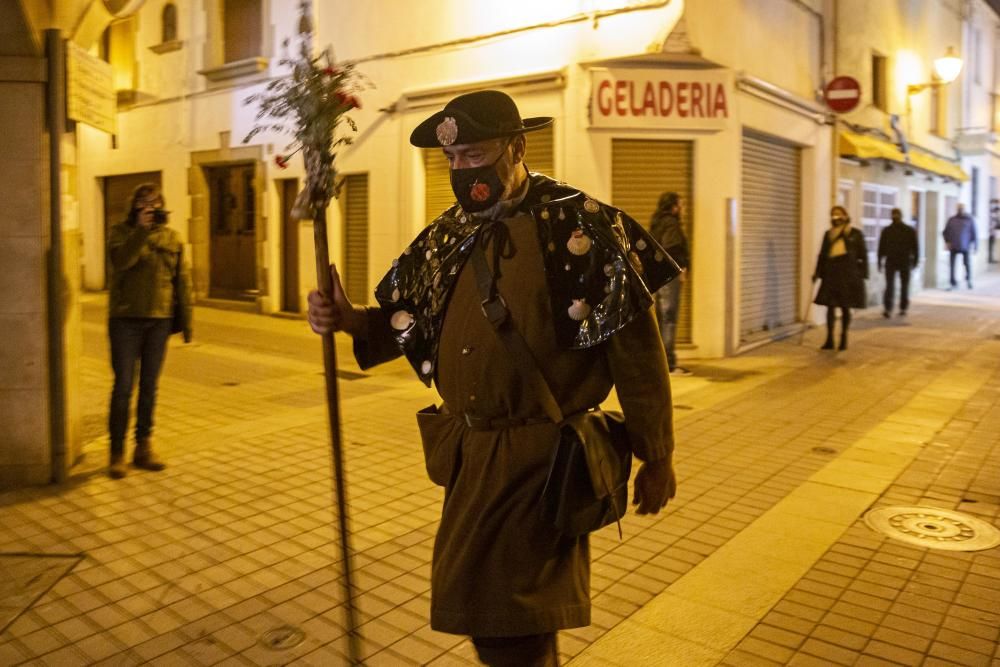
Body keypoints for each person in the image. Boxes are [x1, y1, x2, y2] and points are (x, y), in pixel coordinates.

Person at [307, 90, 679, 666]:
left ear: (517, 147)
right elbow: (411, 318)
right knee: (501, 621)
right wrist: (349, 318)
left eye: (474, 154)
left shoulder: (581, 228)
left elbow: (637, 355)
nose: (462, 171)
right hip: (470, 458)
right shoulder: (448, 233)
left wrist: (657, 455)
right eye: (452, 161)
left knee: (512, 627)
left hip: (542, 460)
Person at [107, 183, 192, 479]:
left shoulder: (172, 237)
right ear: (134, 206)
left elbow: (182, 281)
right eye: (143, 202)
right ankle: (116, 452)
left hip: (159, 320)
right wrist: (141, 232)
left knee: (149, 386)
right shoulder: (120, 233)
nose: (149, 207)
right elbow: (121, 263)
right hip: (125, 320)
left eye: (154, 202)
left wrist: (187, 323)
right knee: (123, 387)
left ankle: (143, 446)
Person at [812, 205, 868, 351]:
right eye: (833, 215)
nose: (836, 218)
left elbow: (863, 255)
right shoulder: (828, 234)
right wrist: (817, 273)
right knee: (830, 307)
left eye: (839, 215)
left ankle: (843, 337)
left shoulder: (855, 234)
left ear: (845, 215)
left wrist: (863, 274)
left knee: (845, 307)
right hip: (831, 275)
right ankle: (829, 338)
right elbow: (822, 255)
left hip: (848, 276)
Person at [649, 192, 691, 376]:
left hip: (658, 275)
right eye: (680, 204)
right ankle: (669, 364)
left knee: (661, 317)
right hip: (670, 276)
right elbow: (672, 247)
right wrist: (681, 267)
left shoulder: (658, 222)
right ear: (673, 206)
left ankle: (659, 362)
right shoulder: (671, 223)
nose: (682, 208)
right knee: (669, 318)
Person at [877, 208, 919, 317]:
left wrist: (915, 260)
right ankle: (891, 308)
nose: (895, 217)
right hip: (894, 260)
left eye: (896, 215)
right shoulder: (888, 231)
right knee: (892, 285)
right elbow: (881, 247)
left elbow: (915, 247)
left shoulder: (908, 230)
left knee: (901, 286)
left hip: (903, 260)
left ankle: (899, 307)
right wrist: (879, 261)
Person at [943, 202, 977, 289]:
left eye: (961, 208)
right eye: (959, 208)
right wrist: (947, 242)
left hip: (965, 246)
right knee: (952, 265)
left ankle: (969, 280)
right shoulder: (952, 219)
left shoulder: (969, 220)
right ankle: (952, 282)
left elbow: (974, 233)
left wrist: (975, 246)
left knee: (966, 264)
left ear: (964, 209)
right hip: (953, 245)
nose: (960, 210)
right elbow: (945, 232)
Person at [989, 198, 999, 264]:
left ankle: (991, 258)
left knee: (992, 246)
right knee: (991, 246)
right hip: (991, 232)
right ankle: (990, 258)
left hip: (993, 232)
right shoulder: (992, 212)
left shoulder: (994, 212)